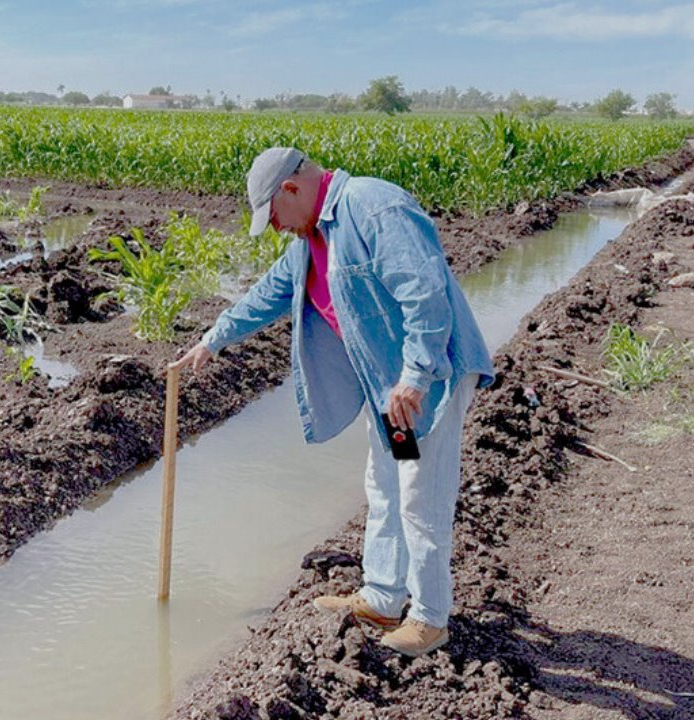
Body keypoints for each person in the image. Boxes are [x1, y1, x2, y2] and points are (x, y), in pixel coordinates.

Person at [170, 147, 494, 656]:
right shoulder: (312, 238)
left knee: (419, 494)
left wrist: (415, 376)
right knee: (385, 482)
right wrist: (214, 337)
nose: (276, 228)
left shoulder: (372, 207)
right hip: (386, 385)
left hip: (425, 379)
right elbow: (269, 292)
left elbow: (424, 293)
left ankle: (431, 619)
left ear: (292, 190)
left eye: (273, 216)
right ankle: (384, 597)